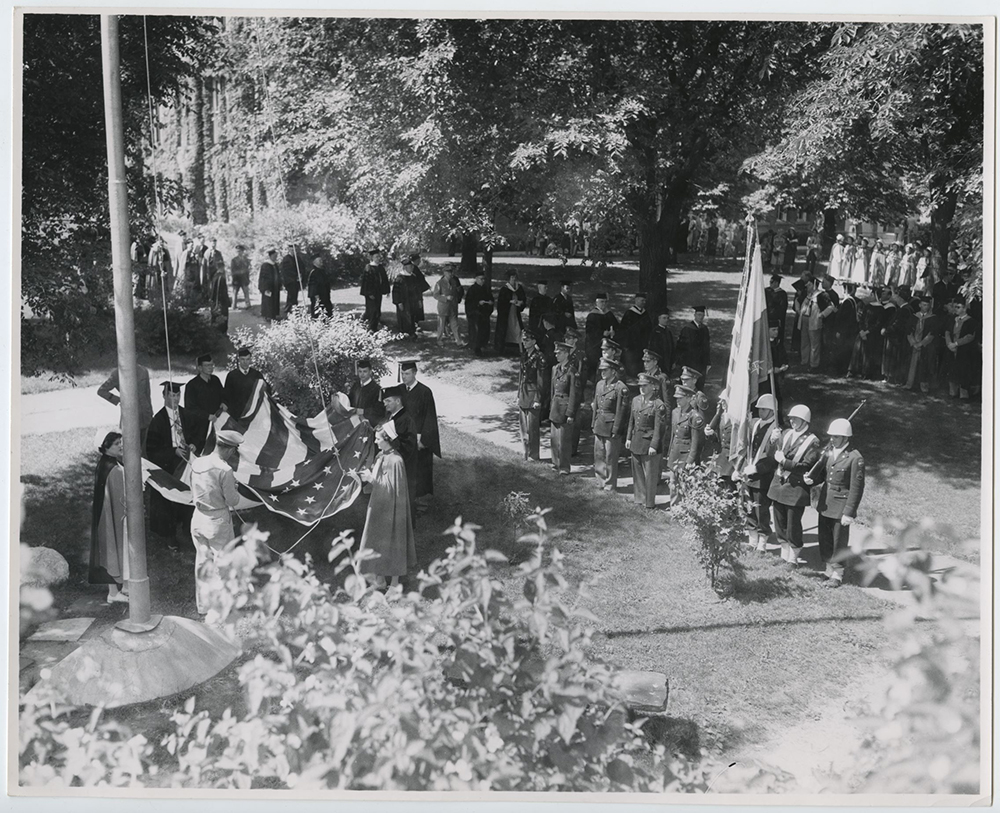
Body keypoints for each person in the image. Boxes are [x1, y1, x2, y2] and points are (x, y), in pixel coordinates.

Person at [801, 418, 864, 588]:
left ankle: (838, 574)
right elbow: (825, 475)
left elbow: (856, 488)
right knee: (825, 538)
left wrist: (849, 512)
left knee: (838, 541)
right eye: (831, 436)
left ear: (845, 438)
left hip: (841, 507)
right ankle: (829, 570)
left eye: (836, 437)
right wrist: (811, 479)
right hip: (826, 503)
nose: (832, 439)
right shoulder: (829, 453)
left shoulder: (854, 458)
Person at [189, 428, 244, 614]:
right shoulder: (225, 469)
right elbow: (232, 500)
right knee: (223, 564)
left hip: (198, 517)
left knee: (202, 563)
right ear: (229, 449)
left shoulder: (197, 462)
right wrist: (234, 488)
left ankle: (203, 606)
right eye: (234, 450)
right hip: (217, 519)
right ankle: (221, 608)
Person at [145, 381, 205, 547]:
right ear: (164, 396)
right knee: (168, 503)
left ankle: (189, 529)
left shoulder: (187, 415)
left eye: (178, 395)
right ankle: (170, 536)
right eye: (171, 395)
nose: (175, 399)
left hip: (187, 463)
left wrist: (194, 444)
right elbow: (152, 450)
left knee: (190, 495)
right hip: (169, 466)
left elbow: (198, 434)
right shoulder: (158, 420)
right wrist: (173, 452)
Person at [358, 423, 417, 589]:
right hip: (378, 505)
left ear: (388, 440)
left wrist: (371, 479)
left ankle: (395, 585)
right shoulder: (381, 456)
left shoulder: (396, 461)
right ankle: (380, 580)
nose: (375, 442)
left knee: (393, 541)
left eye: (378, 439)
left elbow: (392, 489)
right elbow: (379, 479)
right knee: (377, 540)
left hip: (392, 509)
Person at [766, 404, 820, 565]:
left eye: (796, 419)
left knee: (792, 524)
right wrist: (772, 441)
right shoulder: (786, 434)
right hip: (779, 484)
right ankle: (784, 554)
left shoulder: (813, 441)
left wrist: (785, 461)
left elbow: (807, 465)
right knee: (779, 521)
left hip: (795, 487)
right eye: (791, 418)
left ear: (805, 420)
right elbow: (771, 456)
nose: (792, 421)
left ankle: (793, 557)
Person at [736, 394, 780, 552]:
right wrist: (740, 469)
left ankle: (762, 541)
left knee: (761, 509)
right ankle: (752, 539)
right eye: (759, 409)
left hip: (763, 475)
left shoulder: (776, 430)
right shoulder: (755, 424)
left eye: (763, 409)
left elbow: (773, 457)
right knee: (748, 507)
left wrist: (757, 469)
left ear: (771, 411)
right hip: (749, 473)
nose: (760, 412)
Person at [89, 430, 128, 604]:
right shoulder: (113, 470)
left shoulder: (106, 464)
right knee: (115, 547)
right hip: (114, 515)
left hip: (105, 513)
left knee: (111, 548)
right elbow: (121, 499)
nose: (121, 446)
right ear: (105, 447)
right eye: (116, 444)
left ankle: (120, 587)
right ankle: (114, 592)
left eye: (121, 442)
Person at [400, 361, 440, 507]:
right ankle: (406, 497)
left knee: (420, 468)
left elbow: (429, 417)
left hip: (419, 438)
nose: (404, 377)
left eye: (407, 373)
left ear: (415, 373)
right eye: (402, 374)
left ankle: (421, 501)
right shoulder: (400, 390)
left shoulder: (424, 391)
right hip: (404, 437)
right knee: (406, 467)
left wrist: (424, 438)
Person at [626, 374, 666, 509]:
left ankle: (649, 503)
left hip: (649, 444)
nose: (642, 388)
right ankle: (639, 499)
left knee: (650, 475)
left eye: (645, 386)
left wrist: (654, 445)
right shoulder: (636, 400)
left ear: (653, 387)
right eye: (640, 385)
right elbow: (631, 421)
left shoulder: (658, 405)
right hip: (636, 440)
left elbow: (658, 428)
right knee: (637, 473)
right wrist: (628, 438)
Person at [98, 359, 154, 453]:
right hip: (130, 415)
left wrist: (150, 411)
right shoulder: (118, 373)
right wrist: (119, 400)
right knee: (131, 449)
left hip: (145, 414)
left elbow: (147, 393)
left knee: (145, 447)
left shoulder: (143, 371)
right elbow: (102, 391)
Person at [591, 358, 629, 491]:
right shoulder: (599, 384)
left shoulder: (620, 388)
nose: (602, 372)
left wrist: (617, 429)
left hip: (611, 426)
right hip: (599, 424)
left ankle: (610, 484)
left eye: (605, 370)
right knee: (599, 454)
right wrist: (593, 423)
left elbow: (621, 411)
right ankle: (600, 481)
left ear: (613, 371)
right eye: (601, 370)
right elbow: (596, 405)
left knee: (610, 456)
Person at [380, 384, 418, 510]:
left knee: (403, 499)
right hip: (392, 464)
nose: (385, 404)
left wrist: (392, 438)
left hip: (404, 466)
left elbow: (409, 447)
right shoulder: (391, 416)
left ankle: (405, 527)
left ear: (398, 401)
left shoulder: (406, 419)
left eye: (388, 401)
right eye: (384, 401)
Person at [549, 341, 579, 476]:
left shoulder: (572, 371)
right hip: (555, 407)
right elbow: (552, 391)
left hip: (565, 408)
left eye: (559, 353)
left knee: (565, 441)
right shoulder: (555, 369)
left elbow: (574, 393)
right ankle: (555, 463)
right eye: (556, 353)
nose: (557, 355)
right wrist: (550, 406)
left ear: (566, 354)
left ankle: (564, 466)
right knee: (554, 439)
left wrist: (571, 413)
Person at [517, 330, 545, 461]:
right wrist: (518, 395)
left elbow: (540, 380)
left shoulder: (539, 357)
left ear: (534, 341)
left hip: (533, 394)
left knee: (532, 428)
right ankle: (525, 453)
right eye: (523, 340)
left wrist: (537, 398)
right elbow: (521, 376)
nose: (524, 342)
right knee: (523, 428)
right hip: (524, 393)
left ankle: (534, 455)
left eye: (527, 340)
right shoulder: (524, 356)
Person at [906, 296, 942, 393]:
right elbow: (908, 331)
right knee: (912, 363)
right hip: (913, 344)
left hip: (926, 346)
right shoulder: (914, 316)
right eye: (923, 305)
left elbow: (932, 333)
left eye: (927, 305)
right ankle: (909, 384)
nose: (925, 307)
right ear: (919, 305)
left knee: (924, 365)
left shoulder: (933, 318)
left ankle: (923, 385)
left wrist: (921, 344)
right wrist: (913, 343)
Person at [798, 276, 835, 370]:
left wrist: (821, 315)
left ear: (814, 285)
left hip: (814, 322)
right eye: (807, 285)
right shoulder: (808, 295)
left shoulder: (821, 295)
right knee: (804, 342)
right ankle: (804, 361)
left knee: (814, 344)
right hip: (805, 321)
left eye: (809, 284)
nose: (807, 286)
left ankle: (813, 364)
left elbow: (831, 307)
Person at [944, 298, 978, 399]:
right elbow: (947, 332)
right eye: (954, 307)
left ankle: (963, 395)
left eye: (958, 307)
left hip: (964, 350)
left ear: (965, 308)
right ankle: (953, 392)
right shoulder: (952, 319)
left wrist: (956, 344)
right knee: (952, 370)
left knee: (963, 372)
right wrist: (949, 343)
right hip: (951, 349)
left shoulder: (971, 321)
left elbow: (970, 336)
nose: (955, 310)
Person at [584, 293, 619, 384]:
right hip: (594, 343)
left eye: (605, 302)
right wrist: (601, 333)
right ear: (596, 303)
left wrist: (614, 331)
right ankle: (591, 380)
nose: (603, 304)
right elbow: (589, 331)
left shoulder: (609, 313)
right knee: (594, 361)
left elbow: (616, 325)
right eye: (601, 302)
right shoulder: (592, 315)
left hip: (606, 342)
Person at [222, 347, 265, 420]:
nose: (245, 362)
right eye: (242, 359)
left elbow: (265, 391)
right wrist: (224, 403)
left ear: (250, 360)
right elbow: (226, 394)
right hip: (237, 413)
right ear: (239, 359)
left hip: (254, 413)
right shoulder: (232, 375)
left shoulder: (257, 375)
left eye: (247, 359)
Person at [618, 292, 653, 378]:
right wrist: (625, 344)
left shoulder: (645, 314)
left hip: (642, 344)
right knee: (631, 365)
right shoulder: (629, 313)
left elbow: (649, 329)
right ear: (636, 300)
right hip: (631, 345)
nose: (644, 302)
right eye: (642, 300)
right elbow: (623, 330)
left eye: (645, 301)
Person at [494, 270, 527, 355]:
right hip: (507, 314)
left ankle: (521, 349)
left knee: (518, 330)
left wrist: (521, 303)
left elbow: (523, 299)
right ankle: (502, 350)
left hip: (516, 313)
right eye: (512, 277)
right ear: (508, 279)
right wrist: (510, 301)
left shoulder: (519, 288)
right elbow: (501, 303)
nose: (514, 279)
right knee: (505, 330)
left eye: (515, 277)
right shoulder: (505, 289)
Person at [675, 306, 711, 385]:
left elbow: (707, 347)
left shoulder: (704, 329)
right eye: (698, 315)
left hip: (701, 362)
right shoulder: (687, 329)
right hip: (689, 361)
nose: (700, 317)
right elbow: (680, 347)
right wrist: (681, 362)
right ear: (694, 315)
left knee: (699, 383)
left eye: (702, 315)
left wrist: (708, 362)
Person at [185, 354, 225, 422]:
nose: (210, 367)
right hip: (200, 422)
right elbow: (190, 408)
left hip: (217, 420)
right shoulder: (192, 385)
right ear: (199, 368)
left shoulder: (215, 380)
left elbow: (223, 395)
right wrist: (207, 416)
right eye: (207, 365)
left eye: (211, 365)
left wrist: (224, 402)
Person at [348, 358, 386, 426]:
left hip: (368, 424)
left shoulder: (376, 389)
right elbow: (350, 400)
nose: (362, 374)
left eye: (365, 371)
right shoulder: (356, 386)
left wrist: (364, 411)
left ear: (370, 372)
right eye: (360, 371)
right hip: (354, 422)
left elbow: (380, 410)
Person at [464, 269, 494, 356]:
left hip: (484, 313)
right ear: (476, 279)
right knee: (476, 331)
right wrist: (477, 303)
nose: (482, 281)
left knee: (485, 330)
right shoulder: (472, 290)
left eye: (484, 279)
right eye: (481, 279)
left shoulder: (486, 288)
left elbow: (491, 298)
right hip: (475, 314)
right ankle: (476, 348)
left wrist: (490, 302)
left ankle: (483, 344)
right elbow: (468, 303)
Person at [360, 248, 390, 331]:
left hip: (378, 292)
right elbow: (366, 282)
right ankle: (371, 328)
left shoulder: (380, 267)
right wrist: (369, 293)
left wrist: (386, 290)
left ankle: (373, 326)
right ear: (372, 258)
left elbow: (384, 279)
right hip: (371, 294)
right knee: (372, 311)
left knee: (377, 310)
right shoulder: (368, 267)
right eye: (376, 257)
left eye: (379, 257)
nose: (378, 258)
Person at [432, 265, 464, 345]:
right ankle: (439, 340)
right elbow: (435, 295)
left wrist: (457, 299)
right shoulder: (439, 283)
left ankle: (458, 340)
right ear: (444, 273)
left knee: (455, 324)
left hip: (453, 306)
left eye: (451, 272)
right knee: (441, 324)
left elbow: (457, 292)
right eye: (448, 272)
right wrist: (445, 298)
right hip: (443, 307)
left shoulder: (454, 282)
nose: (450, 274)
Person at [392, 256, 422, 338]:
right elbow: (395, 292)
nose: (412, 268)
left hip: (413, 302)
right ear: (405, 267)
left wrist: (419, 300)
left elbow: (418, 290)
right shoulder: (399, 278)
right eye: (410, 267)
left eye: (412, 266)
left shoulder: (414, 277)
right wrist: (398, 302)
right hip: (404, 302)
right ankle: (403, 332)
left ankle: (412, 331)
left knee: (412, 316)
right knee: (403, 317)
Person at [648, 310, 675, 377]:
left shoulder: (668, 332)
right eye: (664, 318)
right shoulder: (655, 332)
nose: (666, 320)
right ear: (659, 319)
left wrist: (673, 361)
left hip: (668, 362)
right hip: (658, 362)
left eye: (667, 318)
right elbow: (652, 348)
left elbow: (672, 347)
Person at [258, 248, 282, 322]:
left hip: (275, 287)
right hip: (268, 288)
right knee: (268, 301)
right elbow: (262, 278)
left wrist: (279, 284)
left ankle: (273, 315)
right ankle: (267, 316)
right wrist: (264, 288)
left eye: (276, 255)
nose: (276, 257)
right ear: (270, 256)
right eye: (274, 255)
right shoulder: (265, 265)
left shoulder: (275, 265)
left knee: (274, 301)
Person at [765, 274, 789, 345]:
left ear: (776, 283)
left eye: (772, 282)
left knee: (775, 339)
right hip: (767, 317)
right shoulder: (766, 291)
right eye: (770, 282)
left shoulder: (782, 294)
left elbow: (782, 308)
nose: (770, 283)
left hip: (776, 319)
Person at [208, 259, 231, 334]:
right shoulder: (220, 278)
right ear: (222, 267)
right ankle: (221, 334)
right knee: (222, 318)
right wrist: (226, 301)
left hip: (216, 302)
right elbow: (219, 292)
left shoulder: (215, 276)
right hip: (220, 302)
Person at [280, 245, 303, 314]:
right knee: (291, 295)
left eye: (295, 250)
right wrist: (296, 275)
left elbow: (301, 267)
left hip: (296, 280)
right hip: (290, 280)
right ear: (289, 250)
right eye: (292, 250)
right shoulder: (286, 259)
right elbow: (286, 271)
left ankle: (294, 308)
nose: (294, 251)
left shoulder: (297, 258)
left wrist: (301, 274)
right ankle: (289, 308)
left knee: (295, 294)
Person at [230, 244, 252, 310]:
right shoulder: (233, 260)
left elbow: (248, 270)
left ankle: (248, 305)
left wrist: (248, 278)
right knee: (235, 293)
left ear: (242, 251)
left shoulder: (246, 260)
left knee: (246, 292)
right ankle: (234, 305)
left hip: (244, 279)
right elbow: (233, 270)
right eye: (237, 251)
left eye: (240, 251)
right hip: (236, 279)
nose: (239, 252)